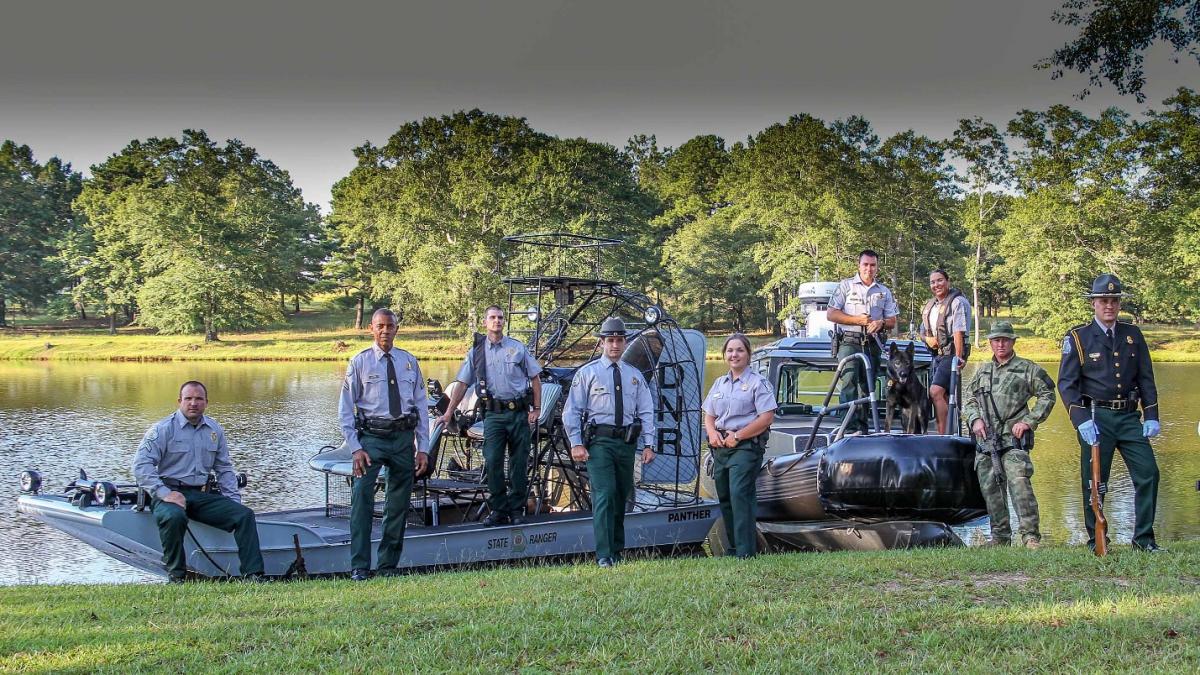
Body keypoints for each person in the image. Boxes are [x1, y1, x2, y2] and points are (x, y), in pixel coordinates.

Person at [1058, 274, 1164, 553]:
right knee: (1094, 482)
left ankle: (1144, 540)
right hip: (1096, 417)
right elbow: (1067, 384)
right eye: (1103, 300)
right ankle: (1097, 540)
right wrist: (1080, 420)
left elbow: (1146, 379)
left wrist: (1151, 414)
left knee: (1148, 473)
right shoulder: (1078, 338)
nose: (1109, 306)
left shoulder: (1133, 335)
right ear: (1093, 303)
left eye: (1114, 301)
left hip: (1129, 418)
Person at [133, 381, 264, 582]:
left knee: (244, 515)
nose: (193, 403)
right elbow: (141, 466)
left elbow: (224, 470)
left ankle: (253, 575)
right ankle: (176, 577)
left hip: (200, 494)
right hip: (168, 493)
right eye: (188, 398)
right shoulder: (162, 429)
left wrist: (233, 501)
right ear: (179, 401)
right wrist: (164, 493)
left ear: (206, 402)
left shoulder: (214, 431)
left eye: (198, 399)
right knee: (174, 517)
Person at [338, 308, 431, 580]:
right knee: (362, 499)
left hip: (403, 440)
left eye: (390, 326)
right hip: (372, 441)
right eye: (380, 326)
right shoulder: (359, 362)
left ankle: (388, 565)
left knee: (398, 505)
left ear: (396, 329)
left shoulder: (409, 362)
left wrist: (423, 447)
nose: (385, 331)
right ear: (371, 328)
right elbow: (345, 409)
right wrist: (354, 447)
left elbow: (422, 408)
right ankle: (359, 566)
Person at [562, 317, 656, 567]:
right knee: (604, 495)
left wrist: (649, 443)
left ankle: (617, 550)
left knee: (622, 494)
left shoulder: (634, 375)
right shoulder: (588, 373)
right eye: (610, 340)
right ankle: (604, 555)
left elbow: (646, 411)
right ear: (602, 342)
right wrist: (576, 442)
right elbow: (571, 410)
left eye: (619, 340)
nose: (615, 345)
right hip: (600, 443)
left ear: (625, 342)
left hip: (626, 443)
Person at [438, 305, 543, 526]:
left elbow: (535, 378)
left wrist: (537, 409)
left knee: (519, 463)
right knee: (493, 460)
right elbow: (462, 384)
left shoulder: (517, 348)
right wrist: (448, 413)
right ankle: (498, 510)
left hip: (518, 414)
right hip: (493, 415)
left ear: (504, 322)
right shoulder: (476, 352)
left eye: (500, 318)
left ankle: (516, 510)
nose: (497, 321)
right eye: (492, 318)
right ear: (485, 322)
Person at [962, 321, 1056, 549]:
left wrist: (1029, 421)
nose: (1000, 344)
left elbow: (1047, 394)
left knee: (1019, 484)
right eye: (996, 340)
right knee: (991, 489)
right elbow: (968, 398)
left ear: (1013, 342)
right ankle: (1000, 537)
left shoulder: (1027, 368)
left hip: (1013, 440)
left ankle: (1030, 537)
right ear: (991, 343)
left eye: (1005, 339)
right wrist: (974, 419)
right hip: (987, 441)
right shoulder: (983, 370)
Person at [702, 334, 777, 559]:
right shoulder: (719, 384)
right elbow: (709, 415)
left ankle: (746, 551)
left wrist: (739, 435)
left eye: (739, 350)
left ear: (748, 354)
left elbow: (766, 418)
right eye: (730, 351)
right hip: (721, 447)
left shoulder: (758, 383)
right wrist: (712, 432)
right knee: (724, 496)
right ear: (725, 355)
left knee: (739, 494)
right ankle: (733, 547)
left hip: (745, 447)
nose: (734, 354)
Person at [826, 249, 899, 433]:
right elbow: (831, 313)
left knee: (868, 386)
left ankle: (863, 429)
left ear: (877, 267)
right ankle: (848, 429)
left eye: (872, 265)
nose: (869, 268)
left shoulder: (884, 291)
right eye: (865, 264)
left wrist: (880, 323)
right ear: (859, 265)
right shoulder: (846, 286)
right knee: (849, 381)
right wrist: (857, 320)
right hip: (849, 341)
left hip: (873, 343)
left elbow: (892, 321)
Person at [919, 269, 972, 434]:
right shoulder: (931, 306)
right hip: (937, 355)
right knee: (944, 395)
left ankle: (943, 434)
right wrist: (927, 339)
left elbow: (958, 332)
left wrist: (958, 358)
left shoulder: (957, 302)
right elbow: (922, 332)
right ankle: (948, 432)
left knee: (935, 391)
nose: (936, 285)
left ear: (948, 281)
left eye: (940, 280)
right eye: (933, 282)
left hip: (952, 353)